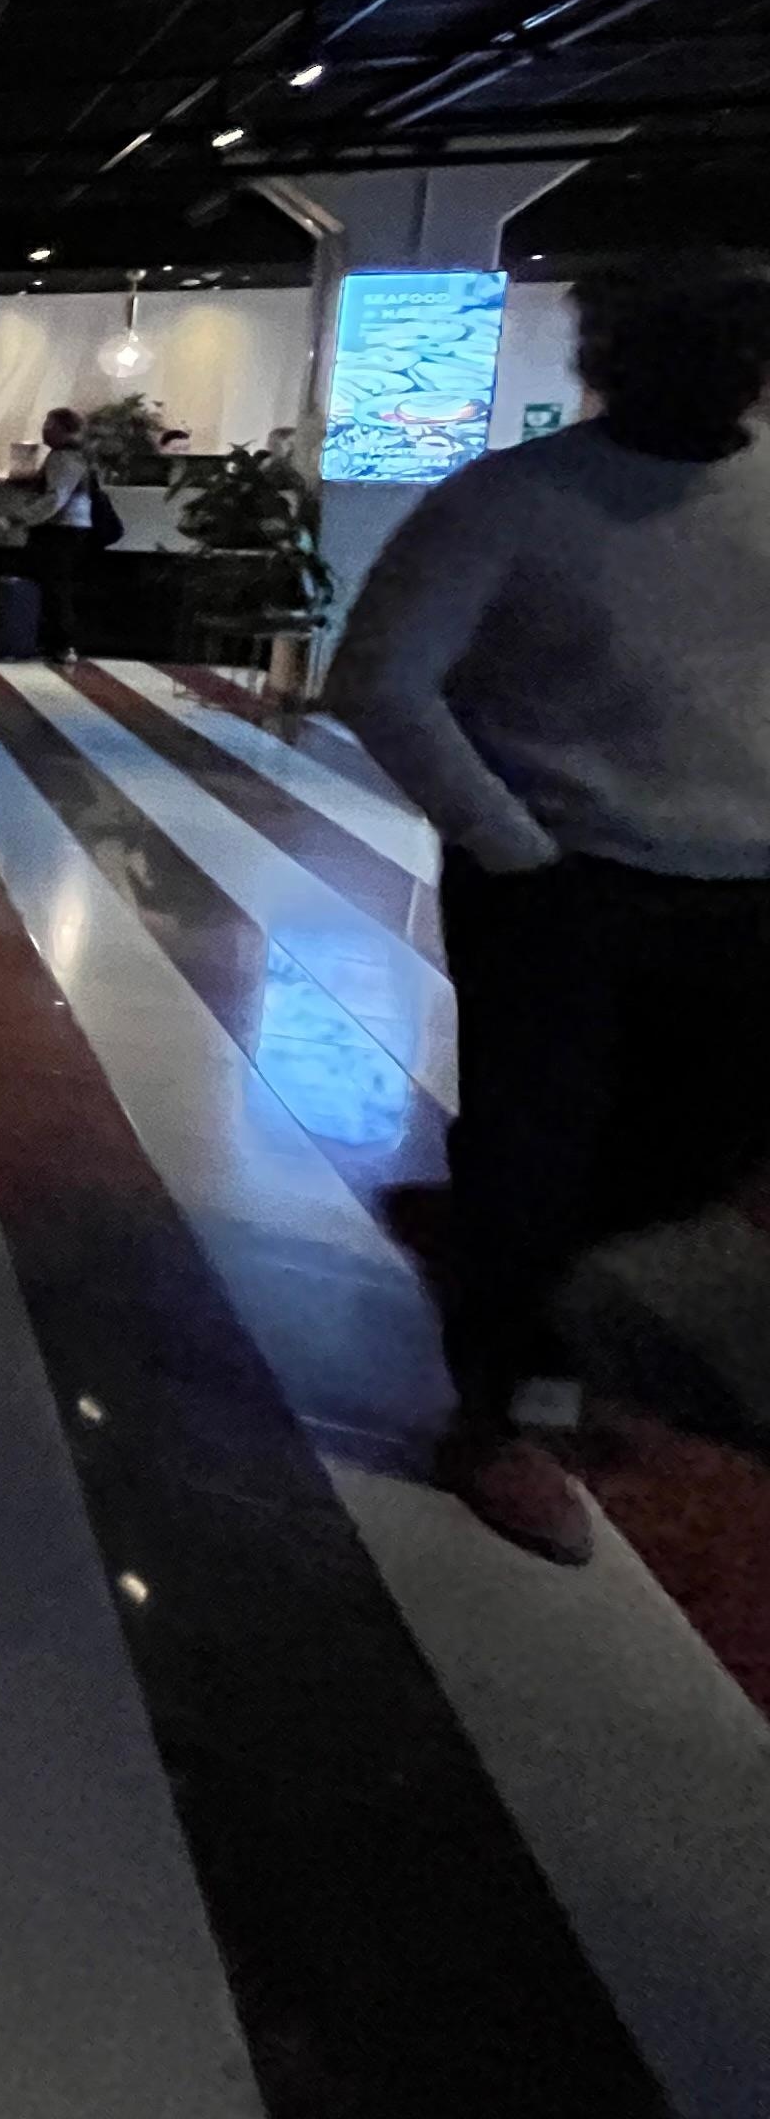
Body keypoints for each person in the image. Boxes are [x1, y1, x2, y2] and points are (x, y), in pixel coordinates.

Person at [330, 256, 770, 1563]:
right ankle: (506, 1413)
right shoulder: (511, 500)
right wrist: (516, 846)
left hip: (743, 888)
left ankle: (524, 1278)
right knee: (539, 1145)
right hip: (560, 884)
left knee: (704, 1144)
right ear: (615, 359)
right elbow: (382, 681)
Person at [21, 406, 99, 659]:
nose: (44, 430)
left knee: (55, 587)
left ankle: (61, 644)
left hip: (61, 528)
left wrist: (20, 517)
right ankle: (59, 643)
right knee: (58, 586)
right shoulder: (81, 455)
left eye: (49, 425)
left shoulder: (64, 457)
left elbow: (56, 497)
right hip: (73, 528)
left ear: (64, 429)